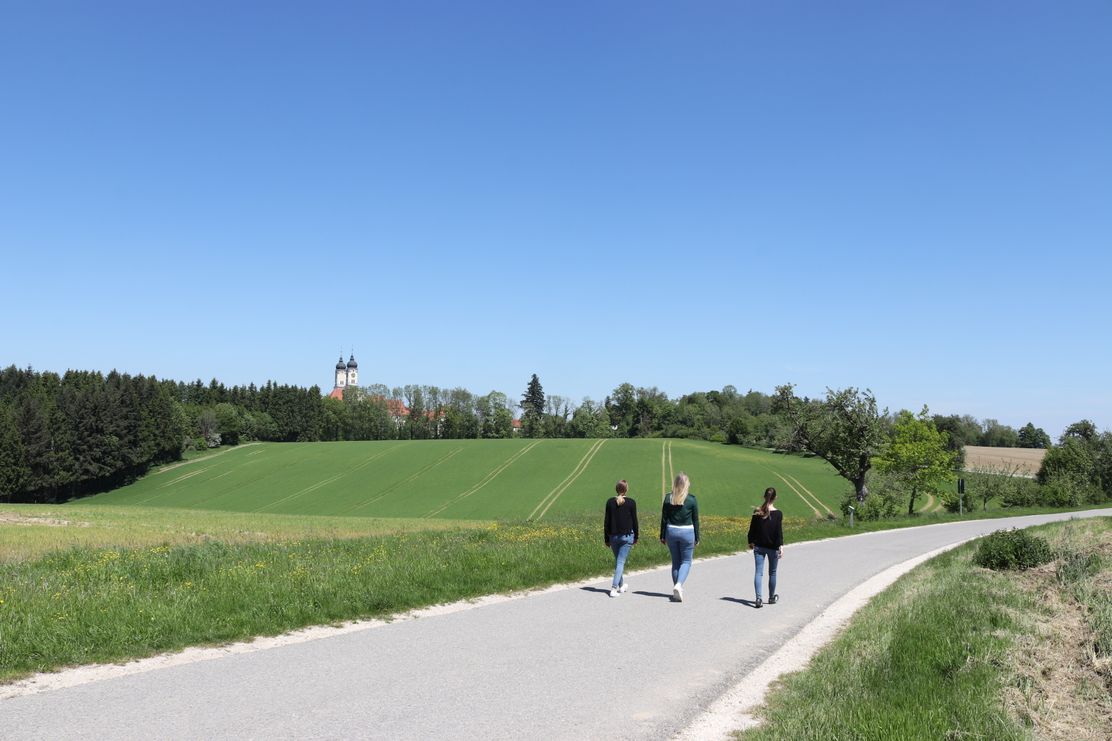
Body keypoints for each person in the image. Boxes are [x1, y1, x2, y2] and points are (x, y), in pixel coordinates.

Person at [659, 472, 699, 602]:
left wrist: (662, 535)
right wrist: (697, 537)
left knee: (676, 562)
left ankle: (677, 590)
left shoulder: (667, 498)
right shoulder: (692, 499)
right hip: (687, 532)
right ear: (687, 485)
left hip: (671, 532)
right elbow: (696, 520)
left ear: (675, 484)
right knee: (686, 562)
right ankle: (679, 585)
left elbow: (664, 519)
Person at [747, 486, 784, 608]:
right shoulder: (778, 514)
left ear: (764, 497)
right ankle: (771, 597)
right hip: (773, 547)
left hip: (758, 547)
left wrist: (751, 542)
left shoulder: (758, 512)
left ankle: (758, 599)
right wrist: (781, 546)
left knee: (758, 573)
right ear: (776, 498)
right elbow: (778, 532)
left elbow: (752, 529)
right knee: (772, 573)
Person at [604, 479, 639, 598]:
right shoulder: (631, 503)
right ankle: (613, 588)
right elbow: (635, 521)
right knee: (620, 562)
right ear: (626, 489)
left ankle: (621, 586)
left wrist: (606, 539)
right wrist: (636, 537)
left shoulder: (609, 502)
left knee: (619, 562)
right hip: (627, 537)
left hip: (613, 537)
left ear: (616, 489)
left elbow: (606, 522)